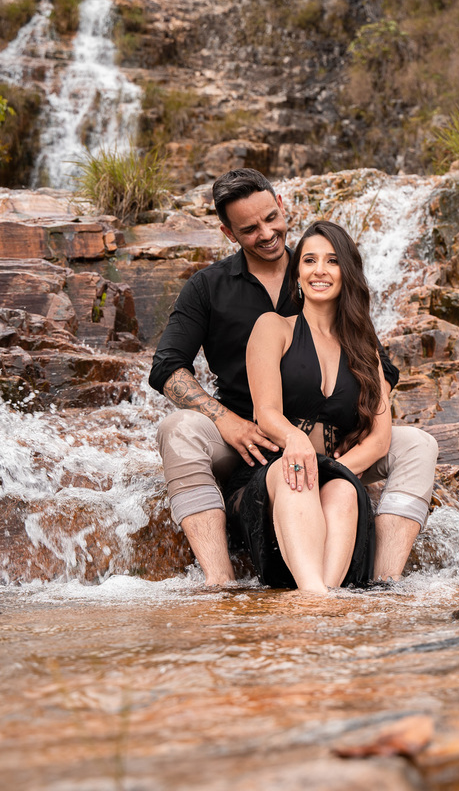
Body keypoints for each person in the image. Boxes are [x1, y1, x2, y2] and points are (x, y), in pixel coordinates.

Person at [149, 169, 437, 585]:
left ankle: (385, 581)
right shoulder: (208, 287)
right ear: (228, 233)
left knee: (416, 444)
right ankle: (219, 580)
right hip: (246, 438)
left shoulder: (317, 269)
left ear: (282, 204)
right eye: (249, 229)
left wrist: (360, 418)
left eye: (271, 218)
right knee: (178, 429)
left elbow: (380, 366)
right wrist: (225, 420)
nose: (267, 233)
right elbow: (166, 366)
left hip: (332, 436)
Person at [225, 221, 387, 592]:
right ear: (297, 273)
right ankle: (318, 599)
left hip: (331, 473)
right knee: (292, 474)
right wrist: (295, 441)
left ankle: (316, 600)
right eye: (309, 260)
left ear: (347, 272)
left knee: (345, 491)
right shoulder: (274, 327)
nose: (319, 270)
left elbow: (379, 440)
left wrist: (331, 472)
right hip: (269, 476)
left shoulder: (365, 349)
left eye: (331, 261)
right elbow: (265, 413)